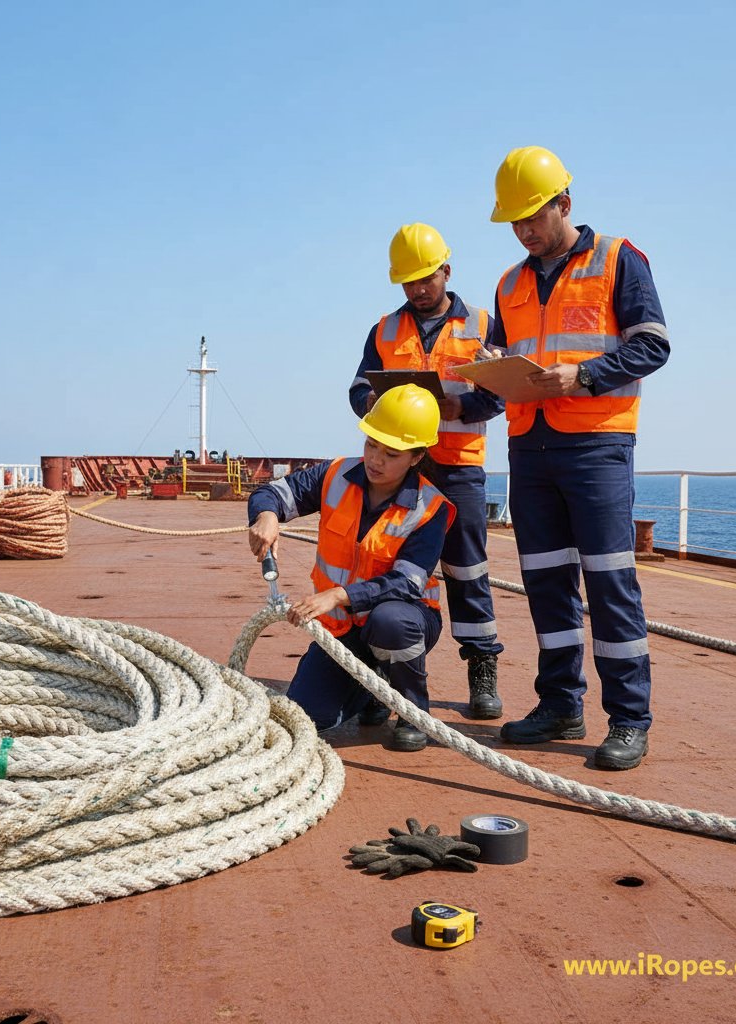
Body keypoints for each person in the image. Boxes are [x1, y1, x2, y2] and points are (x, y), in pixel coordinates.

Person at [486, 146, 670, 770]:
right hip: (528, 448)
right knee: (545, 584)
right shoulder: (509, 282)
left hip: (596, 443)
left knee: (610, 581)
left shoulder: (620, 259)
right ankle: (561, 704)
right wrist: (476, 383)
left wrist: (584, 376)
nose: (525, 231)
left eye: (533, 217)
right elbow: (495, 360)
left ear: (565, 202)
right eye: (515, 222)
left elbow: (652, 347)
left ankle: (628, 718)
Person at [349, 224, 506, 723]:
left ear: (446, 271)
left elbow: (500, 393)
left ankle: (481, 666)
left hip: (457, 466)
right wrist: (372, 401)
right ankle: (385, 670)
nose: (417, 290)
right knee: (386, 564)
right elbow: (357, 389)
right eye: (408, 282)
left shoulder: (483, 324)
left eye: (425, 279)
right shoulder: (385, 330)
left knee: (466, 569)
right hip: (401, 467)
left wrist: (460, 403)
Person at [248, 384, 455, 752]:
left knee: (390, 621)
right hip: (342, 627)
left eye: (391, 453)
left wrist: (339, 595)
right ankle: (373, 687)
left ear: (417, 457)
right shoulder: (336, 476)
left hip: (403, 619)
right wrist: (266, 515)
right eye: (371, 444)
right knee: (308, 716)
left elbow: (407, 583)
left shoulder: (430, 508)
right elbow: (274, 493)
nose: (376, 459)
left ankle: (412, 711)